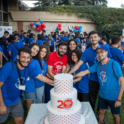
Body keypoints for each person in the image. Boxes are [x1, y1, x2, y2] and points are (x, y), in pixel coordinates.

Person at [0, 47, 54, 124]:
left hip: (16, 101)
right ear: (18, 57)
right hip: (3, 101)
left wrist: (57, 83)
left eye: (28, 58)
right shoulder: (8, 68)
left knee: (20, 122)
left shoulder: (29, 67)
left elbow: (41, 77)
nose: (26, 60)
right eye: (23, 57)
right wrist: (1, 105)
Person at [73, 45, 124, 124]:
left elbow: (122, 81)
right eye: (98, 52)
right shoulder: (97, 64)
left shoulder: (114, 64)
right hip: (102, 95)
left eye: (102, 52)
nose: (100, 54)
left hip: (114, 96)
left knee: (115, 115)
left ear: (106, 52)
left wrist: (119, 99)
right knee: (101, 111)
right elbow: (84, 72)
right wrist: (71, 76)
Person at [68, 31, 112, 112]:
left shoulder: (105, 48)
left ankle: (100, 114)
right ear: (89, 39)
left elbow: (109, 63)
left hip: (105, 78)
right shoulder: (87, 51)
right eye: (91, 37)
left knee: (103, 98)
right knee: (92, 99)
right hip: (93, 79)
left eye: (95, 37)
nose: (93, 39)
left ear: (99, 38)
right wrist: (68, 74)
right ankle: (91, 114)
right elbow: (78, 65)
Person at [23, 43, 40, 112]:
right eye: (34, 49)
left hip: (30, 86)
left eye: (37, 51)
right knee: (19, 103)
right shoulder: (19, 57)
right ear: (30, 47)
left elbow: (39, 75)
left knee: (30, 106)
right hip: (18, 84)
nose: (34, 51)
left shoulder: (35, 62)